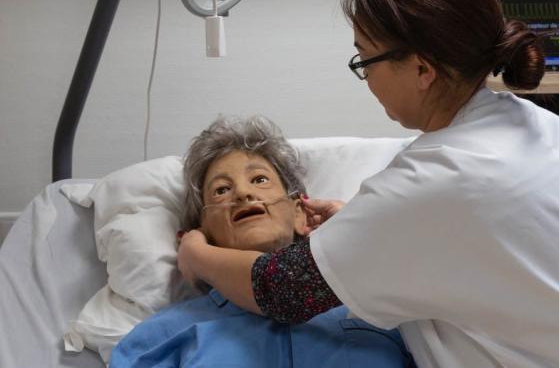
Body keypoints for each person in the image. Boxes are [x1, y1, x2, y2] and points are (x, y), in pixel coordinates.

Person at [177, 0, 559, 367]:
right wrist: (364, 232)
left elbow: (279, 289)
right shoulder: (547, 129)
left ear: (422, 69)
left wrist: (195, 252)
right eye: (220, 190)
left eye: (365, 59)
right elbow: (485, 249)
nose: (367, 78)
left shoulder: (431, 184)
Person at [110, 116, 414, 368]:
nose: (242, 194)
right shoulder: (161, 337)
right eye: (220, 190)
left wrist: (359, 239)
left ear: (301, 213)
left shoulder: (376, 308)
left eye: (259, 179)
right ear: (201, 230)